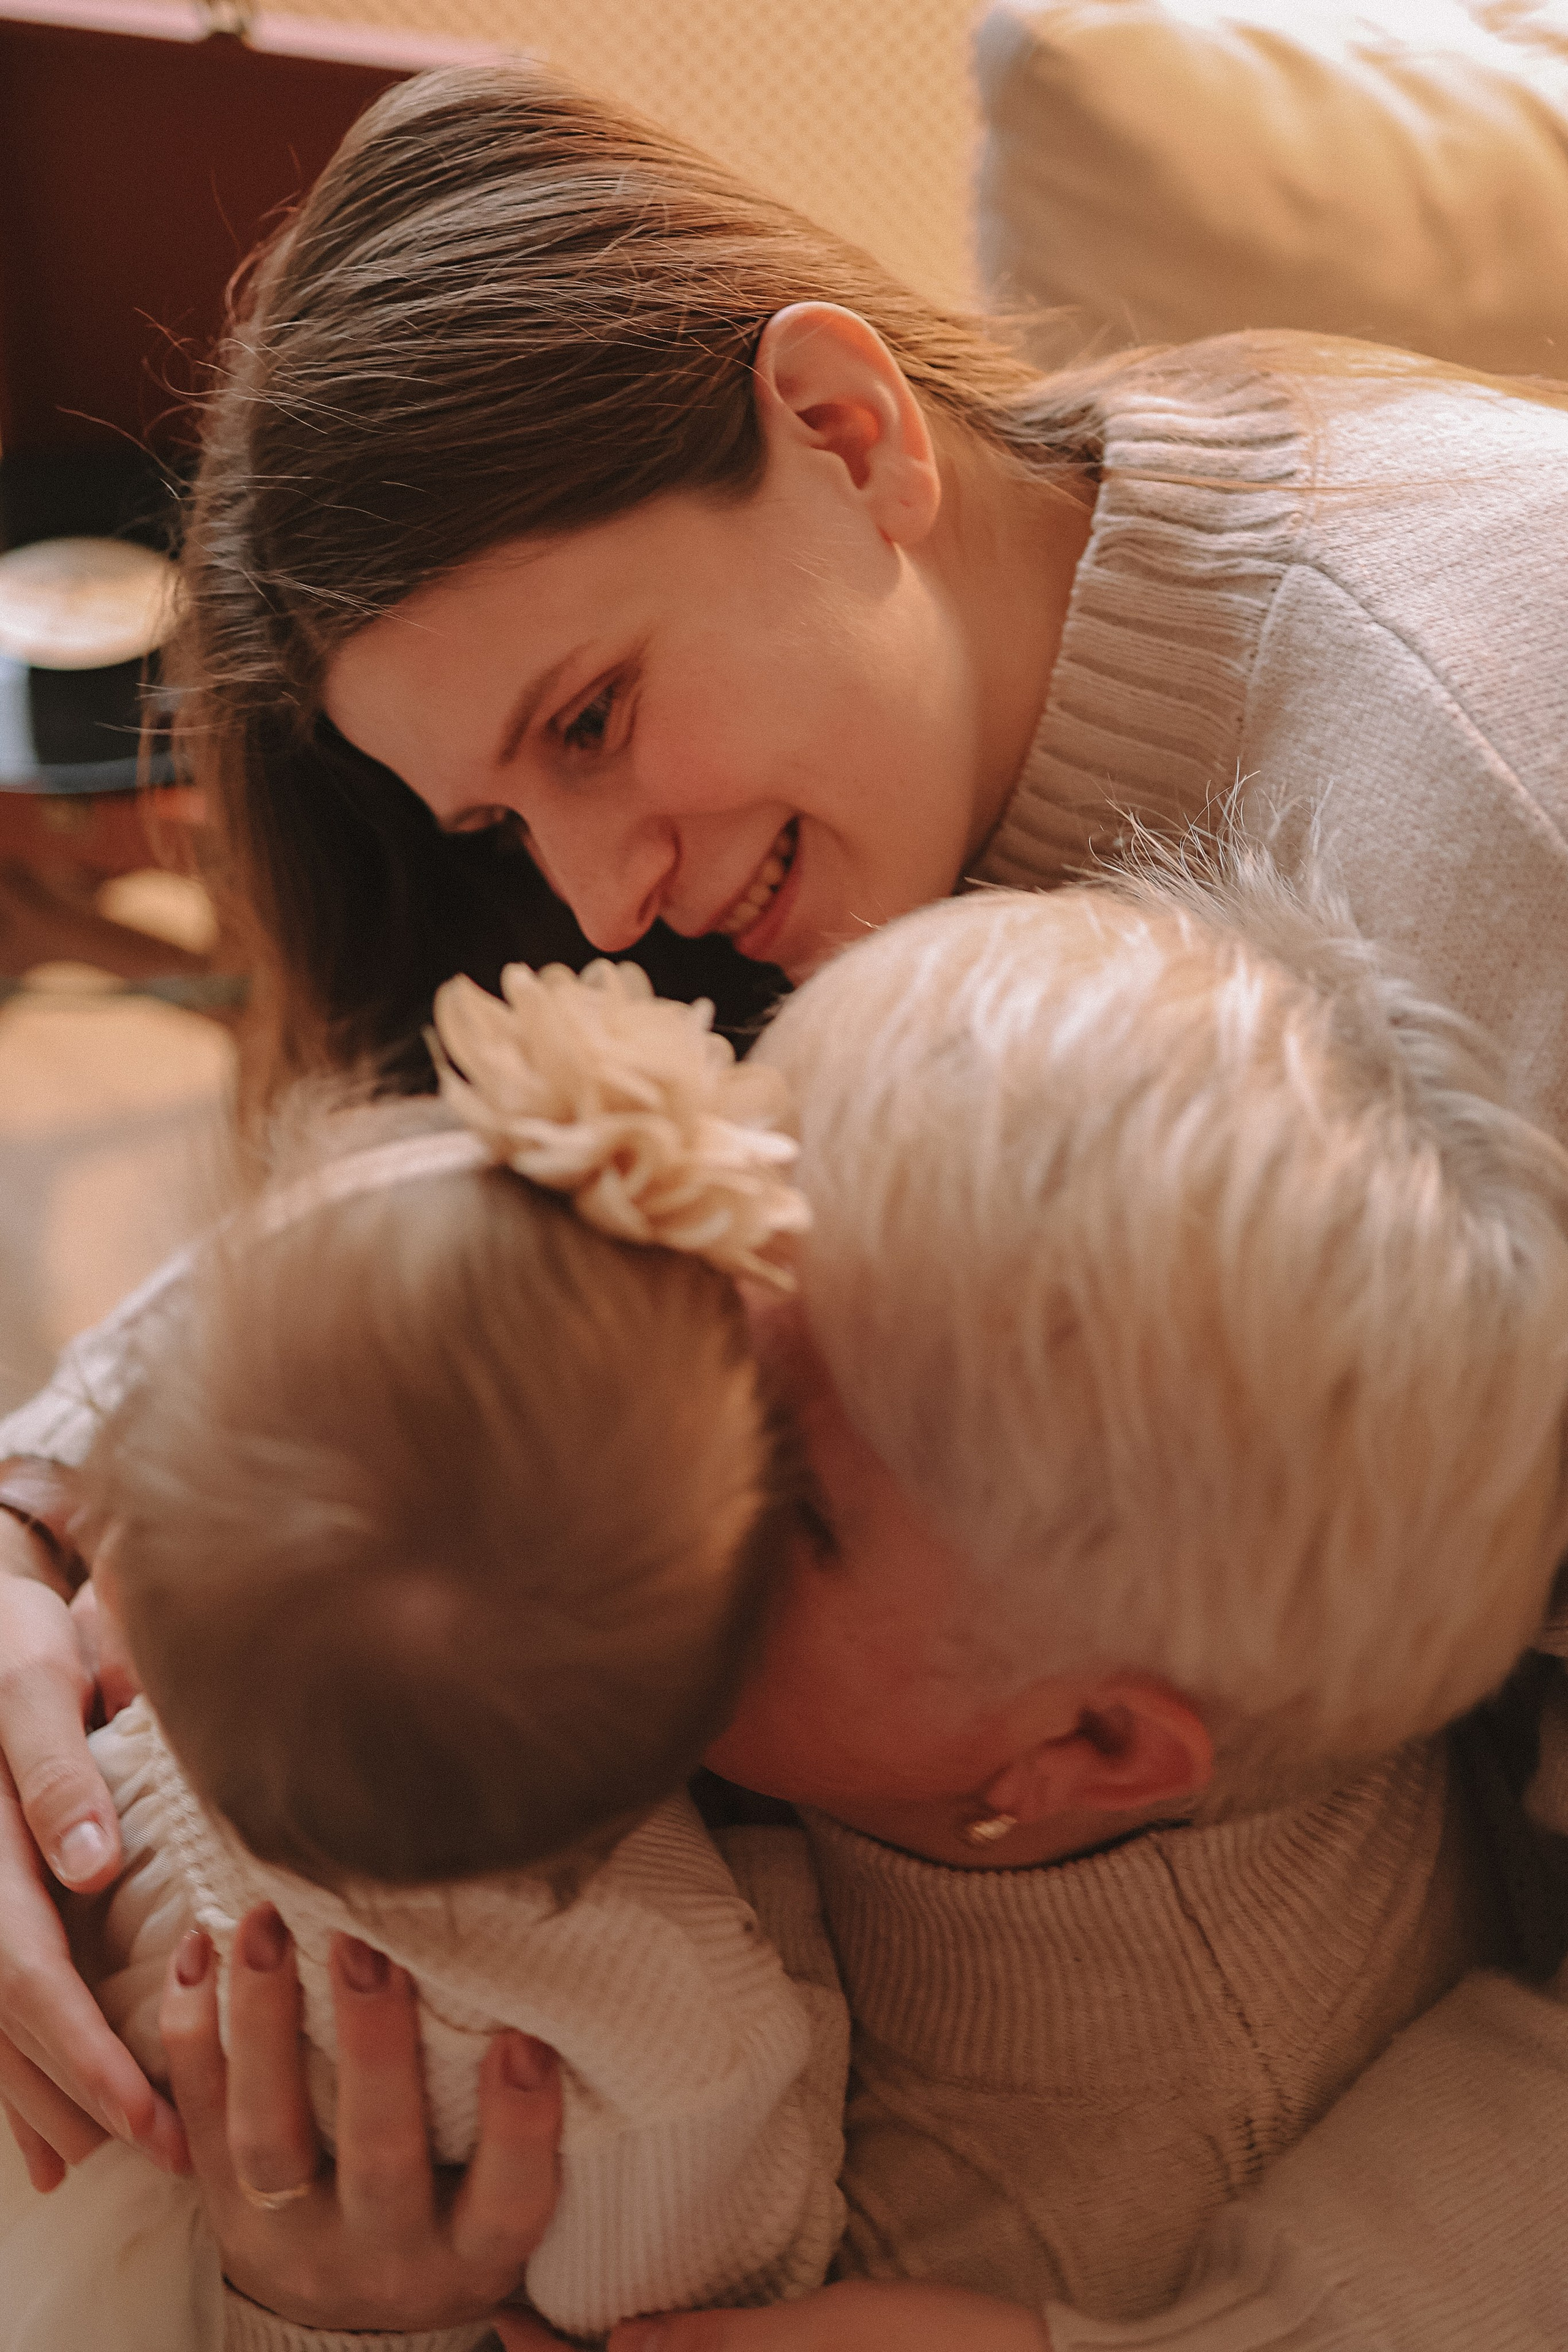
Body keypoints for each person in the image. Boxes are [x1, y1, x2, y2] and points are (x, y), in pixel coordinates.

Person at [2, 51, 1567, 2348]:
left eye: (595, 721)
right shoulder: (834, 798)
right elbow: (494, 1197)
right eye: (495, 825)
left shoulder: (1498, 826)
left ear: (849, 432)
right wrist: (36, 1528)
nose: (604, 912)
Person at [0, 958, 846, 2350]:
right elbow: (716, 2287)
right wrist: (789, 1908)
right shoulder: (680, 2044)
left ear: (127, 1581)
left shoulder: (144, 1707)